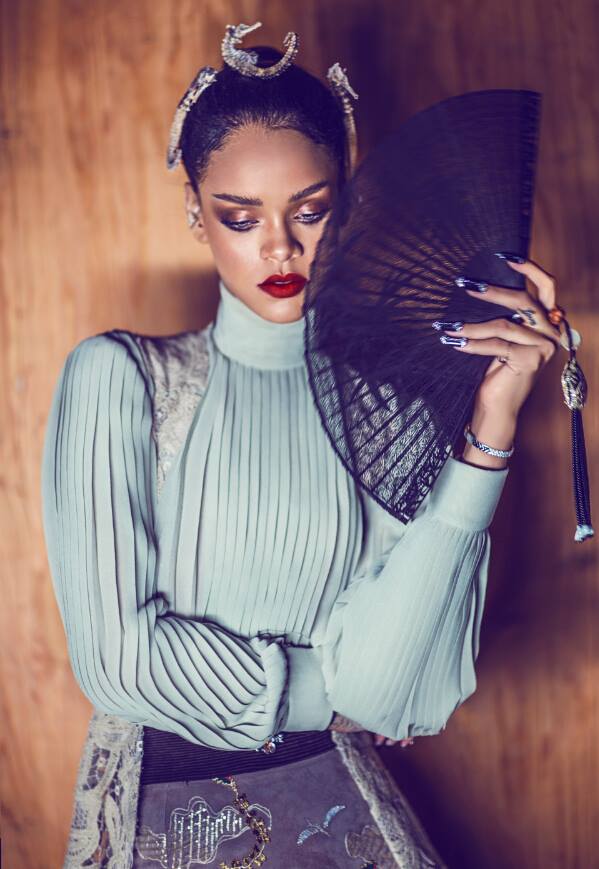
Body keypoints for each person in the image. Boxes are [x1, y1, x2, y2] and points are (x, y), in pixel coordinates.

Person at [40, 22, 561, 869]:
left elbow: (399, 688)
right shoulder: (120, 380)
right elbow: (119, 662)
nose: (278, 247)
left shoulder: (394, 409)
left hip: (341, 822)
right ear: (194, 210)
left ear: (348, 202)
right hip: (165, 822)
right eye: (239, 217)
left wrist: (489, 428)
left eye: (310, 211)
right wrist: (328, 690)